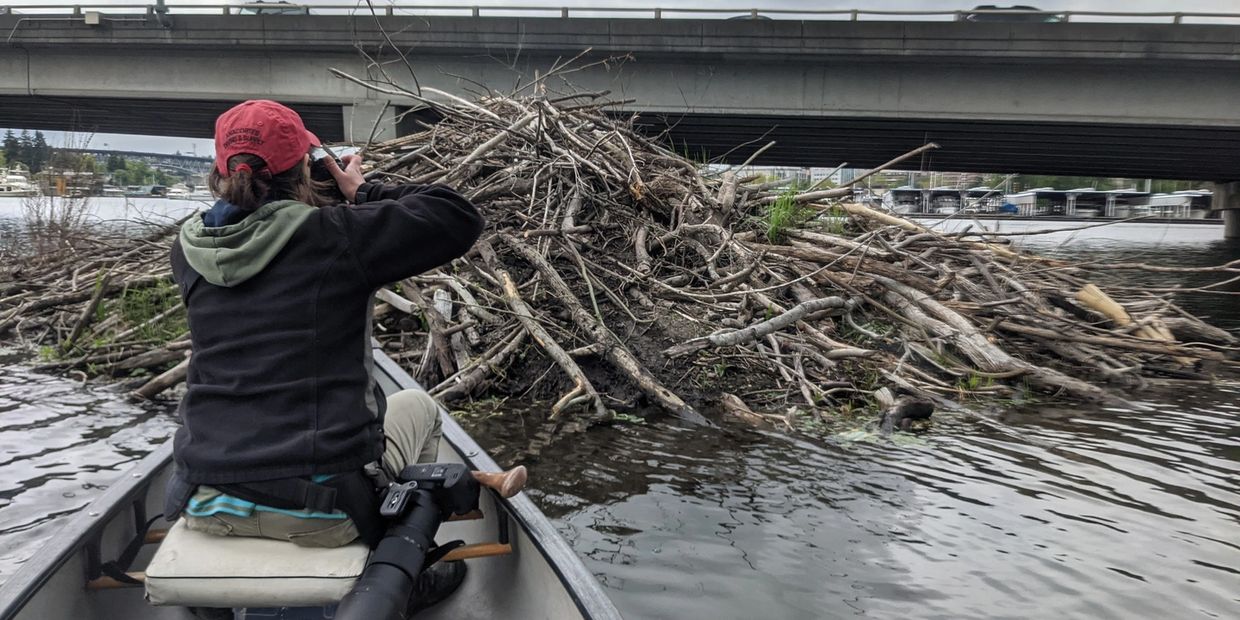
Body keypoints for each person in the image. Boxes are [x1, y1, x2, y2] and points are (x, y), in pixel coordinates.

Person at [165, 99, 484, 612]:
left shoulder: (188, 250)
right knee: (419, 408)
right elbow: (457, 216)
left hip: (201, 494)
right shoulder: (336, 237)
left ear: (220, 171)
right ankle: (405, 565)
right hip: (327, 505)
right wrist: (362, 192)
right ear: (307, 168)